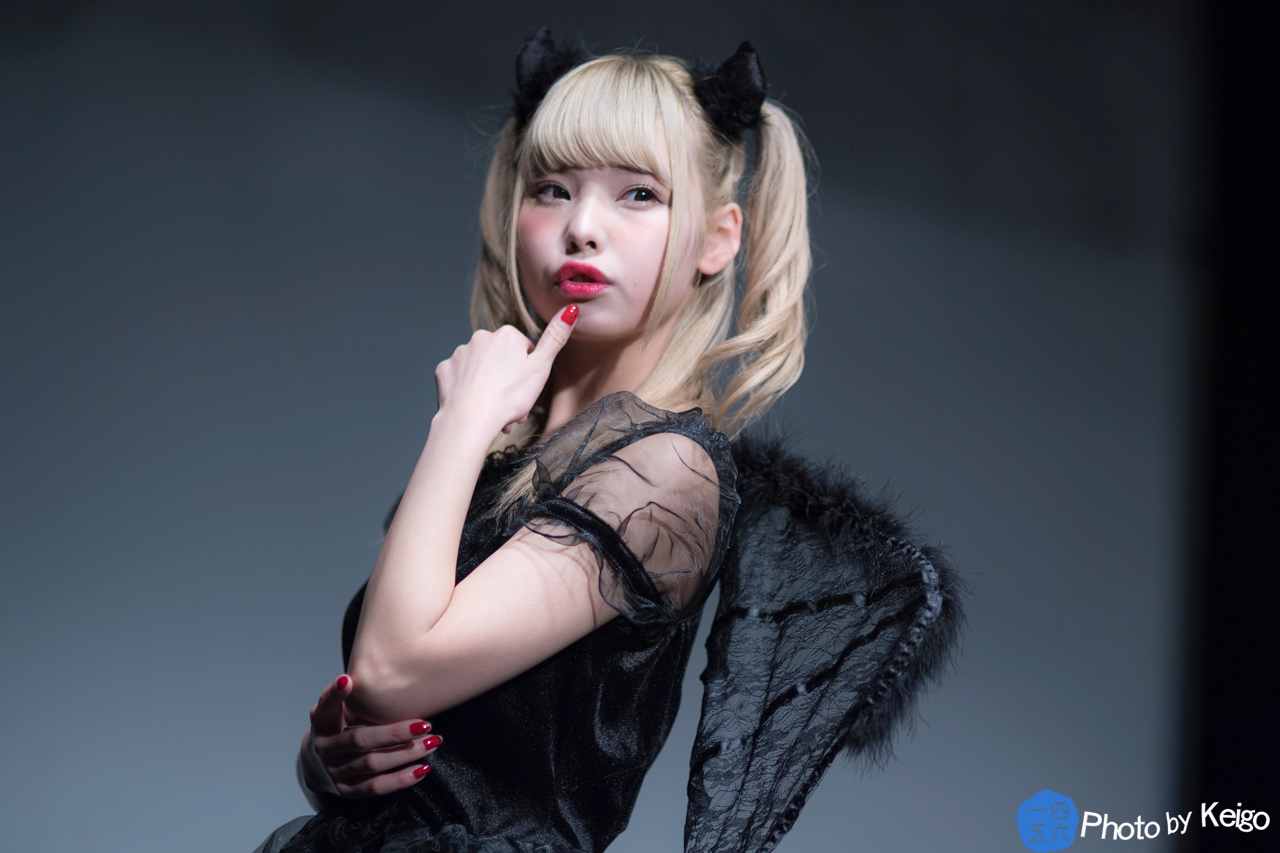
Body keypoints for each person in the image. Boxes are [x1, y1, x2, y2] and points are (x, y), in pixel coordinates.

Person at [257, 32, 965, 853]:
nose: (581, 228)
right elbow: (392, 715)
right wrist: (326, 763)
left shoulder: (666, 472)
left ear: (717, 238)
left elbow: (389, 672)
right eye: (552, 189)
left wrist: (458, 423)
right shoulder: (501, 454)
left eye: (638, 194)